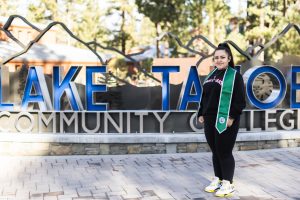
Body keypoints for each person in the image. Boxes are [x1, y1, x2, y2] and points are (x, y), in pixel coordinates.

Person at [197, 43, 246, 197]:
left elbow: (239, 101)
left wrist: (231, 116)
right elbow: (205, 97)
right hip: (209, 119)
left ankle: (228, 183)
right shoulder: (211, 76)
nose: (219, 60)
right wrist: (200, 112)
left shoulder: (234, 76)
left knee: (224, 151)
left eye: (222, 57)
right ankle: (218, 179)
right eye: (216, 57)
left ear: (229, 58)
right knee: (215, 151)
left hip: (226, 119)